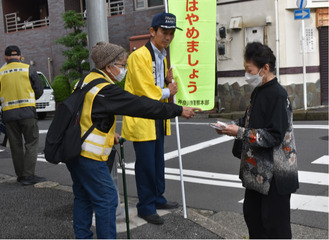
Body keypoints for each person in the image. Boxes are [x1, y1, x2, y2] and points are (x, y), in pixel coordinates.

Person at [65, 41, 199, 239]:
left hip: (74, 151)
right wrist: (178, 110)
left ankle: (83, 237)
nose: (124, 69)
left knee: (84, 197)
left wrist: (108, 133)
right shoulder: (105, 89)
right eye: (121, 65)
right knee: (108, 201)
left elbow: (86, 115)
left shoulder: (85, 81)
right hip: (90, 157)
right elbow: (142, 105)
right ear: (108, 66)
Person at [215, 42, 299, 239]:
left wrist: (240, 132)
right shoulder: (259, 90)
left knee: (275, 226)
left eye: (249, 69)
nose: (247, 74)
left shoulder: (278, 95)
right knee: (253, 218)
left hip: (276, 174)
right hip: (258, 171)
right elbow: (249, 120)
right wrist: (230, 127)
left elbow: (275, 136)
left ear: (265, 68)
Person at [121, 12, 183, 225]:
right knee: (146, 164)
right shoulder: (138, 56)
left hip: (156, 115)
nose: (168, 37)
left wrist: (166, 82)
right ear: (152, 32)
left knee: (157, 161)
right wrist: (168, 90)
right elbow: (145, 90)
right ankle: (145, 206)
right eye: (164, 32)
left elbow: (155, 84)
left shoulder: (162, 55)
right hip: (143, 116)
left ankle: (157, 197)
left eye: (171, 33)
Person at [0, 45, 46, 186]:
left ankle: (20, 175)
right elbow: (39, 90)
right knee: (31, 143)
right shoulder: (28, 69)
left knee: (15, 145)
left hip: (9, 114)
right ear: (20, 56)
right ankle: (28, 175)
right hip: (27, 113)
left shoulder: (1, 72)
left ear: (6, 57)